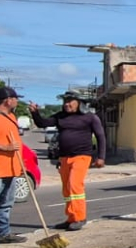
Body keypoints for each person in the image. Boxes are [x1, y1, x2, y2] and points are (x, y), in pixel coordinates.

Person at [29, 91, 106, 231]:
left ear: (79, 102)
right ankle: (71, 218)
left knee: (75, 185)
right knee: (66, 189)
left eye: (70, 101)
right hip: (64, 158)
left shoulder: (90, 117)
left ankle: (79, 217)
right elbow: (42, 123)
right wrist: (35, 112)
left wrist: (101, 157)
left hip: (82, 156)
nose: (67, 104)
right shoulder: (61, 117)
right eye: (65, 101)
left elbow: (100, 136)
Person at [0, 87, 26, 244]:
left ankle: (4, 233)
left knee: (6, 204)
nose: (17, 101)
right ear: (7, 100)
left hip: (11, 168)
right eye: (16, 98)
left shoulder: (12, 117)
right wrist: (5, 147)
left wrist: (20, 165)